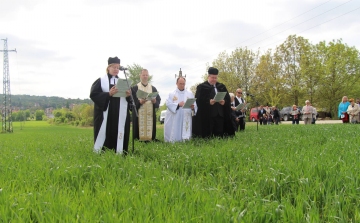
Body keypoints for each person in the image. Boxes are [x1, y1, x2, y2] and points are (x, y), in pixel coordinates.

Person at [90, 56, 131, 154]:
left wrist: (129, 95)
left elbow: (130, 100)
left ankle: (120, 151)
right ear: (108, 67)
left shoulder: (123, 82)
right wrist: (108, 94)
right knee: (106, 131)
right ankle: (102, 151)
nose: (116, 69)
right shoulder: (100, 81)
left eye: (118, 67)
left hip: (119, 113)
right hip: (106, 113)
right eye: (114, 67)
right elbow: (93, 95)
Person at [192, 67, 235, 138]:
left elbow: (227, 99)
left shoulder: (221, 87)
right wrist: (208, 102)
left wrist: (224, 102)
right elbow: (198, 100)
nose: (214, 80)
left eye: (216, 78)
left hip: (220, 113)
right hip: (208, 114)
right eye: (212, 78)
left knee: (220, 132)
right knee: (209, 133)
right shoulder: (202, 87)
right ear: (208, 77)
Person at [131, 69, 161, 141]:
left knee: (150, 126)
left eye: (146, 75)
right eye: (143, 75)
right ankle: (138, 138)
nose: (145, 76)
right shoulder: (135, 88)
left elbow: (158, 100)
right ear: (140, 76)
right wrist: (139, 102)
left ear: (148, 76)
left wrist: (154, 101)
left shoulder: (153, 88)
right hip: (139, 112)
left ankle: (151, 138)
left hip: (149, 113)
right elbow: (131, 101)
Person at [164, 77, 195, 142]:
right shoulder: (172, 94)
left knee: (185, 127)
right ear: (176, 83)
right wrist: (178, 105)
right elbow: (168, 104)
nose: (182, 85)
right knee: (176, 128)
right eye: (180, 83)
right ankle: (174, 140)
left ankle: (185, 139)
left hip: (186, 115)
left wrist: (193, 107)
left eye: (183, 84)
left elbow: (194, 105)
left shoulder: (190, 94)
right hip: (176, 116)